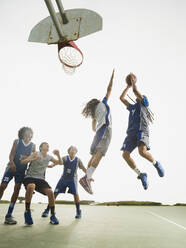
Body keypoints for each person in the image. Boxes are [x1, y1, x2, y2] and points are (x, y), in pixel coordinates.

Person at [120, 73, 164, 190]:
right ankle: (141, 174)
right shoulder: (132, 107)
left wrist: (133, 82)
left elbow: (135, 91)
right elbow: (121, 98)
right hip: (131, 133)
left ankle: (156, 164)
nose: (138, 96)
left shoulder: (144, 103)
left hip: (142, 129)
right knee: (125, 155)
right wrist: (127, 86)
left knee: (142, 152)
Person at [79, 69, 114, 194]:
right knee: (99, 155)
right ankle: (86, 178)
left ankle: (87, 176)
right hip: (105, 130)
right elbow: (109, 89)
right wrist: (112, 77)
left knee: (94, 156)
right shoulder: (103, 103)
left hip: (97, 134)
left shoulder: (94, 114)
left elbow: (93, 129)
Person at [0, 127, 35, 224]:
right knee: (3, 186)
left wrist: (28, 158)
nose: (29, 135)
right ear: (23, 134)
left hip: (21, 171)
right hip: (11, 167)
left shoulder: (33, 146)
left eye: (31, 133)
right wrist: (12, 163)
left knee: (17, 189)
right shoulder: (17, 142)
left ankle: (9, 215)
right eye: (28, 133)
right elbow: (11, 155)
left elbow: (32, 159)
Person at [41, 146, 86, 219]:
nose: (73, 150)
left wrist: (89, 176)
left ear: (76, 152)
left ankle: (78, 211)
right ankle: (47, 210)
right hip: (63, 179)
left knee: (76, 194)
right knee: (54, 194)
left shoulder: (78, 160)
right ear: (69, 151)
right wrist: (51, 165)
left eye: (74, 150)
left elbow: (83, 168)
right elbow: (59, 162)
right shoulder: (65, 158)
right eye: (72, 149)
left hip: (72, 180)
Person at [22, 142, 61, 225]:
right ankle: (27, 212)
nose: (47, 146)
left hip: (40, 179)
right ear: (40, 148)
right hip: (30, 177)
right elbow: (23, 161)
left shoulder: (49, 157)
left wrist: (58, 155)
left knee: (50, 192)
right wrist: (33, 159)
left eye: (48, 145)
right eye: (45, 145)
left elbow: (60, 163)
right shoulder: (35, 153)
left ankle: (53, 216)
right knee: (31, 186)